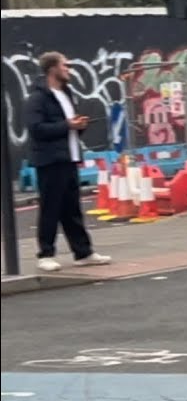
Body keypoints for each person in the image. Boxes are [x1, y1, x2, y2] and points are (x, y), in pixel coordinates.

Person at [23, 51, 111, 272]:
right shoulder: (38, 98)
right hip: (50, 161)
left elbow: (67, 125)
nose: (68, 69)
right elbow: (36, 129)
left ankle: (83, 253)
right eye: (65, 65)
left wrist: (78, 126)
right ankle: (45, 254)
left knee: (72, 209)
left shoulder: (67, 93)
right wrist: (68, 125)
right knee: (50, 208)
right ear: (52, 68)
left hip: (70, 157)